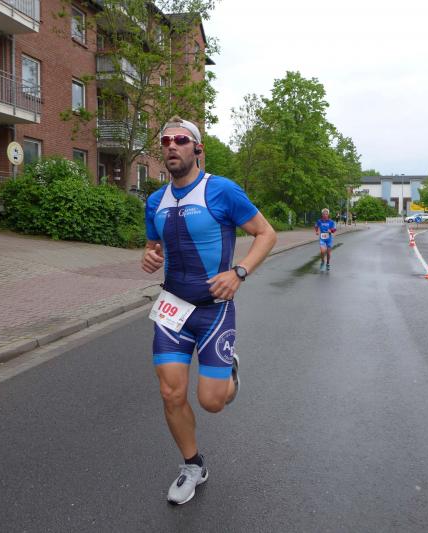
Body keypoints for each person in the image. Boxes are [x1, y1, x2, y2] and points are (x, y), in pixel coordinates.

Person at [141, 116, 276, 505]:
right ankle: (192, 466)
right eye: (165, 140)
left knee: (212, 401)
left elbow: (266, 234)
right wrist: (149, 258)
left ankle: (229, 371)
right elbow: (153, 248)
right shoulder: (155, 201)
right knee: (170, 392)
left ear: (197, 148)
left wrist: (239, 272)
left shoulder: (221, 190)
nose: (171, 145)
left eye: (180, 139)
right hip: (172, 310)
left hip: (214, 310)